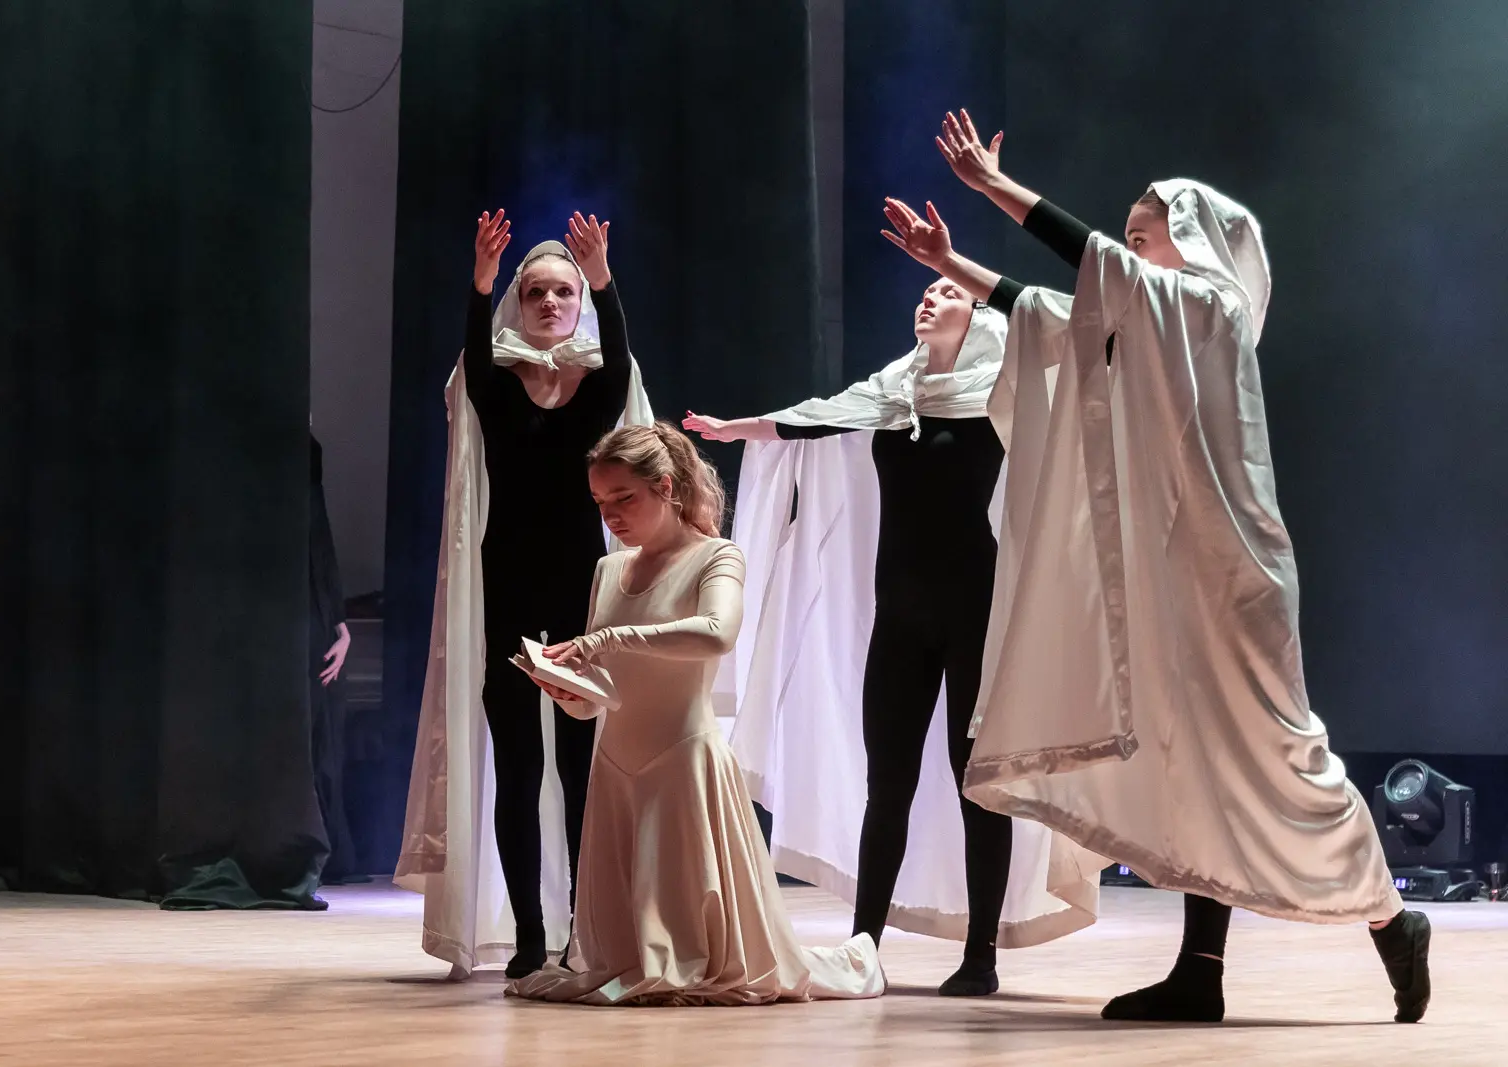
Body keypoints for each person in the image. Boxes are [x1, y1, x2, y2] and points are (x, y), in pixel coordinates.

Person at [876, 107, 1431, 1023]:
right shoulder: (1149, 318)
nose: (1130, 240)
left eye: (1147, 230)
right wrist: (952, 263)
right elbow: (1051, 313)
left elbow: (1097, 270)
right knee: (1185, 764)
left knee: (1283, 756)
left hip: (1233, 580)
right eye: (1131, 233)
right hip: (1174, 576)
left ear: (1200, 242)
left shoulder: (1211, 309)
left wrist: (997, 188)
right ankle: (1199, 971)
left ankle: (1390, 918)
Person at [682, 284, 1099, 997]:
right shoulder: (893, 393)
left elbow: (1070, 392)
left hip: (977, 615)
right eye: (926, 290)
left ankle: (981, 955)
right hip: (901, 616)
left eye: (948, 290)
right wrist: (736, 427)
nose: (929, 298)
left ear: (980, 315)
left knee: (979, 784)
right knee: (888, 784)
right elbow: (816, 418)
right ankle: (865, 946)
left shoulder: (1004, 394)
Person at [505, 422, 884, 1005]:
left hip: (683, 760)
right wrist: (569, 691)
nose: (611, 514)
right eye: (600, 501)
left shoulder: (716, 556)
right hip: (616, 765)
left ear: (665, 487)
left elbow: (716, 633)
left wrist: (606, 640)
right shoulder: (610, 568)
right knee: (626, 949)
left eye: (624, 497)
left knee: (699, 946)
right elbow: (606, 692)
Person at [395, 212, 654, 979]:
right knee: (518, 766)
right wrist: (481, 284)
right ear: (519, 300)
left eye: (562, 292)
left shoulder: (600, 385)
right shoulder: (496, 382)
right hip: (507, 589)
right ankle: (532, 935)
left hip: (580, 595)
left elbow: (619, 360)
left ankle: (582, 927)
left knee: (580, 767)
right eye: (536, 291)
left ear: (580, 304)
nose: (548, 302)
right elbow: (477, 356)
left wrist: (603, 280)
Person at [309, 429, 357, 884]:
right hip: (300, 619)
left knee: (324, 743)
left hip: (317, 619)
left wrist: (340, 623)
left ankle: (324, 848)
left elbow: (321, 544)